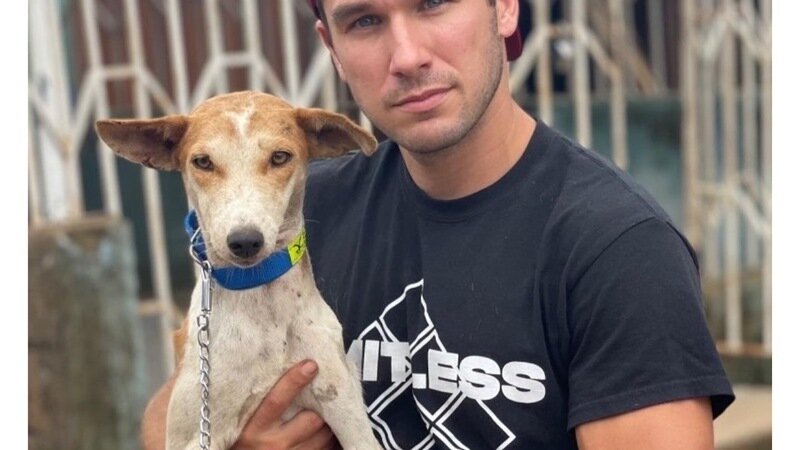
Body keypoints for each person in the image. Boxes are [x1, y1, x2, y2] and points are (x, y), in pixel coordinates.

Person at [141, 0, 735, 448]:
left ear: (505, 7)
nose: (407, 57)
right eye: (364, 21)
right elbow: (169, 416)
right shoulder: (291, 214)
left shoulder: (619, 249)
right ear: (333, 50)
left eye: (434, 1)